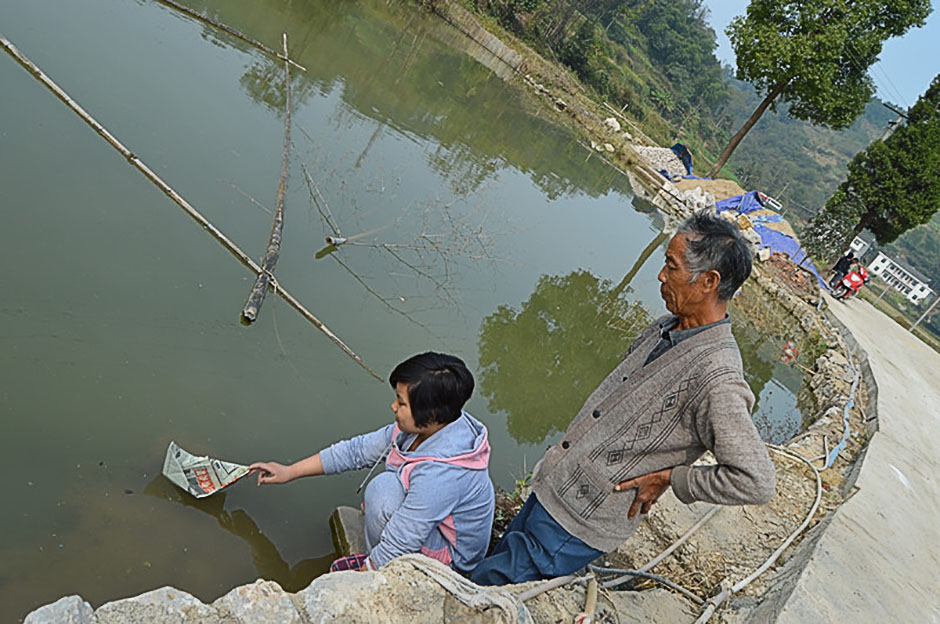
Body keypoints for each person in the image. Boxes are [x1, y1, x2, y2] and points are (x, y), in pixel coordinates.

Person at [471, 213, 776, 586]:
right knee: (500, 560)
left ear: (708, 282)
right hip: (555, 486)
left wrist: (673, 478)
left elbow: (755, 480)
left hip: (579, 520)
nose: (662, 276)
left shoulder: (718, 376)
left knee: (487, 588)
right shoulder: (666, 327)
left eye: (671, 266)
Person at [250, 352, 495, 575]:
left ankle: (386, 571)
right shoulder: (434, 422)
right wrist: (289, 471)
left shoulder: (444, 474)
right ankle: (377, 558)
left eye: (401, 403)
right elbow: (355, 452)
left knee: (383, 490)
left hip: (452, 560)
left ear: (430, 415)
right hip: (429, 521)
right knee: (385, 494)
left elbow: (404, 536)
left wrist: (362, 578)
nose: (393, 407)